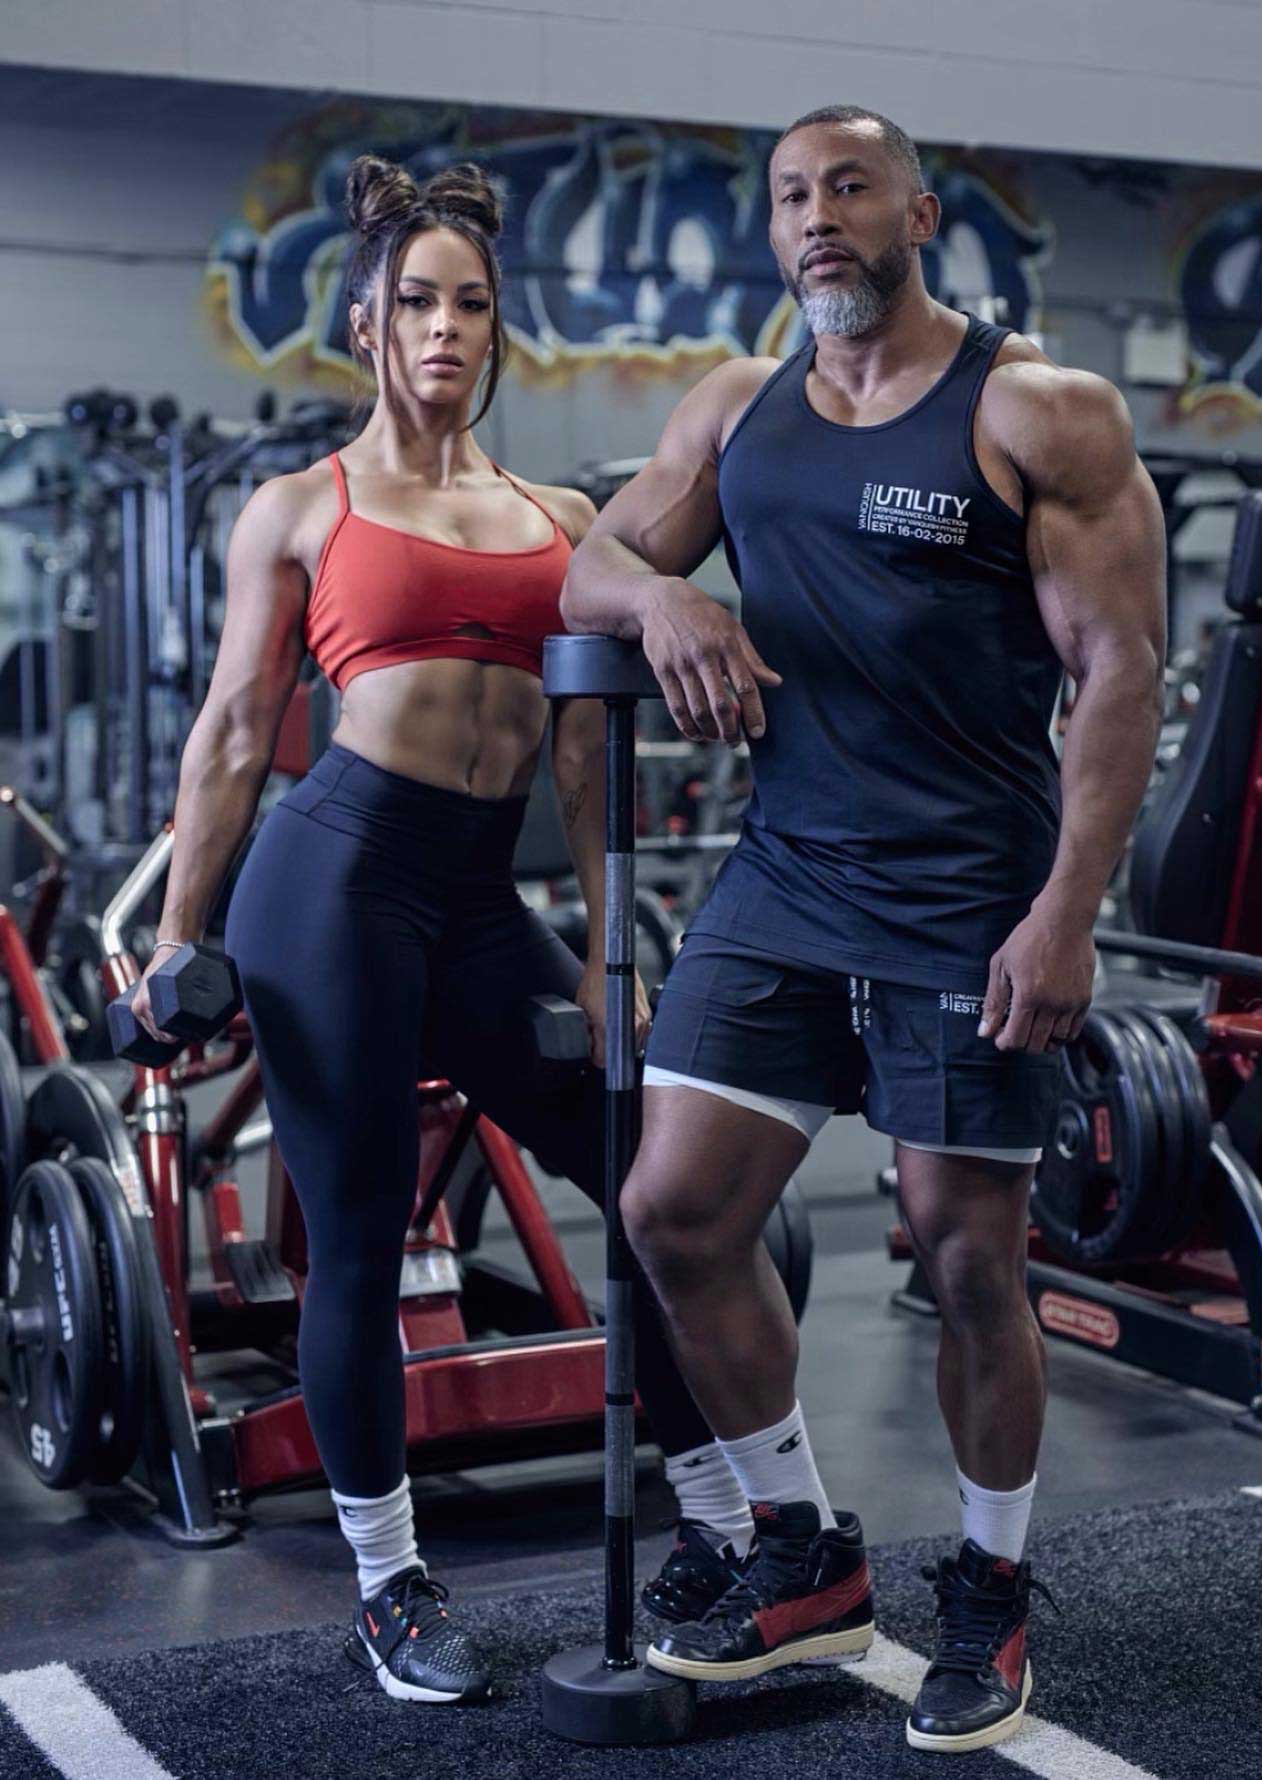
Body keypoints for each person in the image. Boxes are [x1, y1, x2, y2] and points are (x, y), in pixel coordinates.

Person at [561, 105, 1165, 1753]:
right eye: (791, 198)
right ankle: (803, 1551)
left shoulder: (1039, 410)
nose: (818, 219)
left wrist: (1066, 917)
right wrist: (668, 595)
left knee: (967, 1254)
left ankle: (989, 1584)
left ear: (917, 209)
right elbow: (591, 565)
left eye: (849, 188)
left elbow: (1122, 673)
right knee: (674, 1209)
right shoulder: (736, 410)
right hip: (785, 875)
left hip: (972, 894)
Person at [127, 155, 753, 1706]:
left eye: (474, 302)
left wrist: (617, 961)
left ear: (498, 333)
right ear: (366, 323)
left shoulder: (564, 517)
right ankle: (392, 1581)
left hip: (482, 894)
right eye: (419, 300)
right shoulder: (303, 507)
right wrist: (179, 935)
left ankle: (731, 1523)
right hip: (331, 878)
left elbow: (586, 759)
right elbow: (229, 733)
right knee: (354, 1228)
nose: (448, 326)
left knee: (651, 1186)